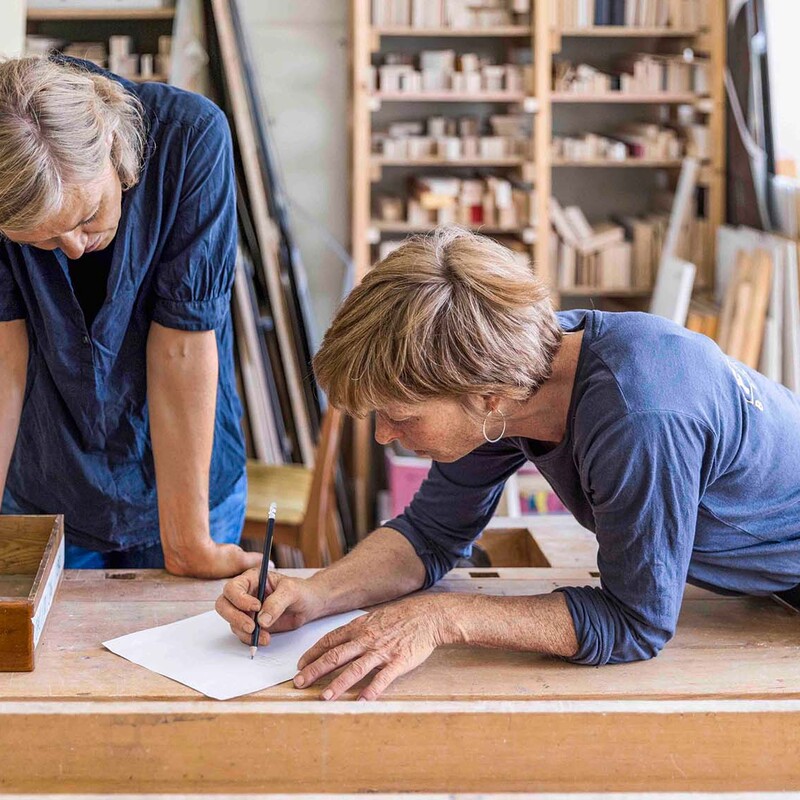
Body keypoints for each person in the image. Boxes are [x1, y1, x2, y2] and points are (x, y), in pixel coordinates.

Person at [216, 226, 800, 701]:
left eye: (402, 415)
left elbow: (635, 623)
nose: (385, 435)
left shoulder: (639, 416)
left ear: (489, 397)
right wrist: (314, 594)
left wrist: (443, 619)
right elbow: (429, 534)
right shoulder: (516, 376)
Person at [0, 55, 260, 577]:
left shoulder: (192, 138)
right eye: (44, 241)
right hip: (46, 484)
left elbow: (182, 346)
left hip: (185, 490)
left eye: (88, 216)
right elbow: (4, 355)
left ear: (118, 150)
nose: (73, 249)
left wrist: (188, 543)